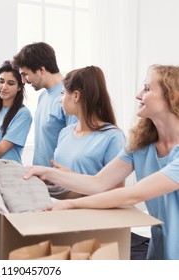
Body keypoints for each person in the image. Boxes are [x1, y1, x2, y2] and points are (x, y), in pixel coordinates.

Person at [24, 65, 179, 260]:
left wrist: (72, 205)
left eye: (147, 89)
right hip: (160, 248)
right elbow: (98, 182)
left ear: (172, 96)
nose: (138, 95)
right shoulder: (141, 144)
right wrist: (44, 172)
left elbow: (132, 195)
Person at [48, 66, 125, 199]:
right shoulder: (65, 133)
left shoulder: (113, 137)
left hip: (91, 214)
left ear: (76, 96)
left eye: (63, 93)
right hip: (61, 209)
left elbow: (117, 191)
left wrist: (71, 177)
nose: (60, 99)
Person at [12, 42, 77, 167]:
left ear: (41, 70)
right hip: (41, 177)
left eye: (25, 74)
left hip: (58, 179)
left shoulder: (69, 97)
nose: (23, 81)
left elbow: (75, 145)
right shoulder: (43, 97)